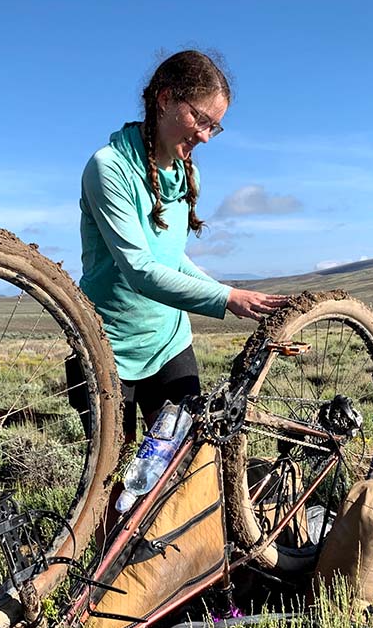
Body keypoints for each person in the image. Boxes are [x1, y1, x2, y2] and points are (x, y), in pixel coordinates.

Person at [74, 49, 287, 440]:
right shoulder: (108, 169)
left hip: (169, 343)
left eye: (215, 126)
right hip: (107, 348)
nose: (205, 135)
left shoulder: (190, 176)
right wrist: (226, 299)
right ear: (166, 99)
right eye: (200, 119)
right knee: (113, 482)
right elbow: (141, 270)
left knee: (180, 469)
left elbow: (170, 259)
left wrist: (229, 293)